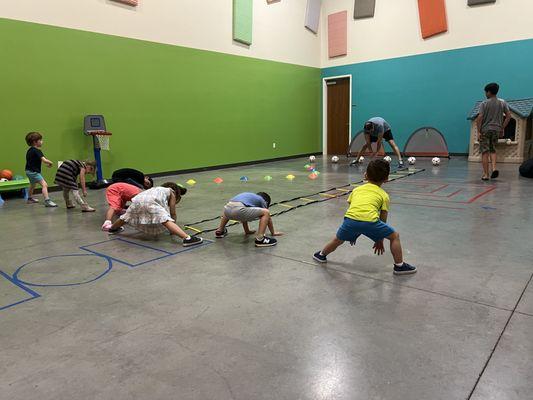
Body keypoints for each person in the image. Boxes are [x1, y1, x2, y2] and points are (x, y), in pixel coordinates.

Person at [313, 159, 416, 275]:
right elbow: (383, 218)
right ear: (386, 179)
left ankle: (321, 255)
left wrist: (352, 234)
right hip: (370, 222)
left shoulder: (356, 190)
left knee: (338, 240)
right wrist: (379, 238)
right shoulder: (384, 195)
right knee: (395, 236)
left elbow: (354, 210)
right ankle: (399, 266)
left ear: (365, 175)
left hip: (349, 221)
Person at [108, 182, 203, 247]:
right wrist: (173, 227)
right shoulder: (171, 192)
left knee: (126, 217)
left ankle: (113, 228)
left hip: (138, 199)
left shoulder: (155, 189)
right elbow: (172, 212)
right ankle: (187, 238)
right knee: (165, 220)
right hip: (150, 201)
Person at [215, 192, 283, 247]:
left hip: (227, 210)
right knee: (266, 212)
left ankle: (220, 230)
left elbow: (244, 217)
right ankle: (260, 239)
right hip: (239, 210)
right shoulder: (262, 200)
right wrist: (273, 232)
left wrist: (247, 231)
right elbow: (268, 217)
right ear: (266, 202)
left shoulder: (250, 198)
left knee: (231, 209)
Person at [476, 82, 511, 180]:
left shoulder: (484, 103)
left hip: (486, 130)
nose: (485, 94)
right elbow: (508, 116)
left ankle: (486, 174)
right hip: (496, 130)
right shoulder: (502, 102)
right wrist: (502, 127)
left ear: (489, 92)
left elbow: (480, 117)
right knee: (493, 149)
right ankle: (494, 168)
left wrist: (479, 131)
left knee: (485, 152)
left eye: (486, 92)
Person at [24, 132, 57, 207]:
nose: (42, 141)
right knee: (44, 185)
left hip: (28, 171)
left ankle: (29, 198)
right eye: (40, 140)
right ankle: (47, 200)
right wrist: (50, 163)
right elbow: (44, 160)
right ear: (35, 142)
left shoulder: (30, 150)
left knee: (32, 185)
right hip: (34, 172)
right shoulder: (37, 151)